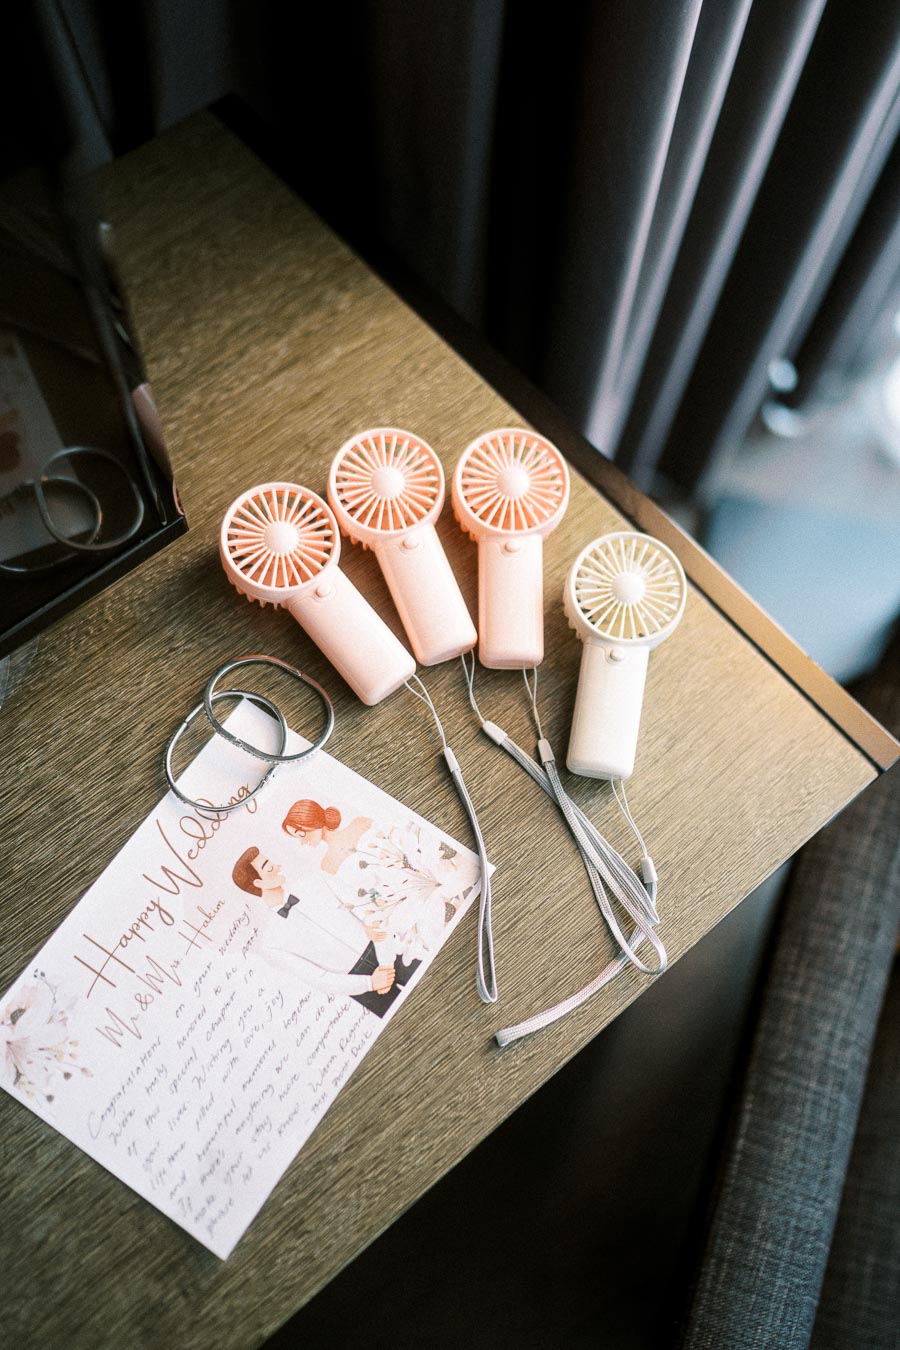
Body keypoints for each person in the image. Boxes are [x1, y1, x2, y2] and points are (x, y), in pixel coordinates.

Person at [231, 846, 404, 1016]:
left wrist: (387, 961)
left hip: (390, 948)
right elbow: (318, 978)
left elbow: (368, 910)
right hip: (361, 985)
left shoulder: (316, 881)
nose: (277, 866)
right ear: (258, 883)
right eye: (268, 866)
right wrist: (370, 983)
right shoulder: (271, 942)